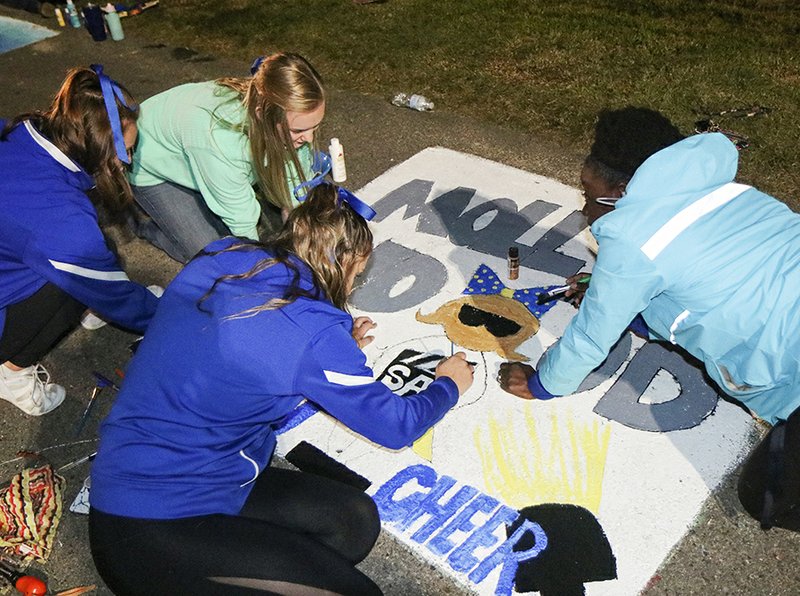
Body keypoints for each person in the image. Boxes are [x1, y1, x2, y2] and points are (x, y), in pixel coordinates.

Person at [89, 183, 474, 595]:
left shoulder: (226, 254)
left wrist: (329, 353)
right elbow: (396, 426)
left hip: (211, 475)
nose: (354, 285)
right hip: (145, 524)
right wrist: (448, 384)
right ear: (342, 263)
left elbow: (256, 345)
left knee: (354, 524)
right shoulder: (312, 335)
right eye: (356, 276)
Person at [499, 106, 800, 531]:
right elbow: (695, 288)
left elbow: (588, 340)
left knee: (764, 496)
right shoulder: (731, 191)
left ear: (621, 190)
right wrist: (623, 298)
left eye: (588, 192)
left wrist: (540, 384)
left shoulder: (632, 241)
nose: (584, 207)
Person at [0, 66, 160, 416]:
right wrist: (171, 316)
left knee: (90, 253)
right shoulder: (59, 219)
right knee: (76, 275)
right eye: (123, 155)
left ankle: (89, 305)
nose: (128, 162)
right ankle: (11, 373)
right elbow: (119, 298)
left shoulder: (16, 132)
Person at [129, 51, 326, 263]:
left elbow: (295, 184)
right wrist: (257, 266)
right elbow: (242, 219)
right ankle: (144, 223)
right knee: (211, 257)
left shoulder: (275, 113)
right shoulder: (220, 138)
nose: (309, 138)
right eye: (298, 130)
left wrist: (301, 228)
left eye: (315, 127)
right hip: (153, 164)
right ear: (262, 115)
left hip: (202, 157)